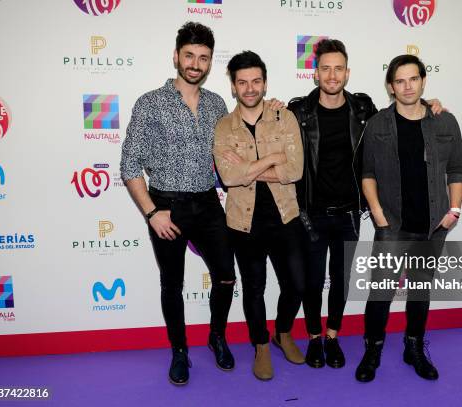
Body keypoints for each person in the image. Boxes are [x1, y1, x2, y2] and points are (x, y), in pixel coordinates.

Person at [288, 39, 443, 370]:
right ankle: (314, 337)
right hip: (311, 213)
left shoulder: (362, 110)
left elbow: (402, 114)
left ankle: (332, 336)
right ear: (315, 73)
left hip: (349, 213)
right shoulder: (298, 110)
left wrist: (430, 105)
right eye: (325, 68)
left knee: (341, 282)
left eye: (338, 68)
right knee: (313, 283)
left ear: (347, 72)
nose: (332, 75)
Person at [120, 22, 237, 386]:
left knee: (226, 276)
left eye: (203, 58)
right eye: (189, 55)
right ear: (176, 56)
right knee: (172, 283)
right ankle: (179, 351)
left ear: (209, 62)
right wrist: (152, 212)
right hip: (166, 205)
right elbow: (129, 164)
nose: (195, 63)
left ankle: (217, 336)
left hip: (208, 203)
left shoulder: (218, 103)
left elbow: (232, 154)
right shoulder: (150, 103)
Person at [355, 54, 462, 383]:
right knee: (380, 293)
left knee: (420, 291)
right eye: (400, 81)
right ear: (390, 87)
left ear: (423, 81)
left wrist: (454, 211)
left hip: (433, 226)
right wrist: (379, 216)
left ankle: (413, 347)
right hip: (393, 226)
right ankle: (372, 349)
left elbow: (457, 169)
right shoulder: (377, 124)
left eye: (413, 79)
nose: (407, 86)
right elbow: (368, 173)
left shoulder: (444, 121)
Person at [213, 51, 305, 381]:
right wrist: (272, 159)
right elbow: (229, 177)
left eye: (255, 81)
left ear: (265, 82)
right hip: (243, 222)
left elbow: (294, 170)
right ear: (234, 87)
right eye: (242, 82)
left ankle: (283, 332)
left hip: (285, 217)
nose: (250, 88)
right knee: (254, 289)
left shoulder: (285, 116)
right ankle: (261, 345)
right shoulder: (224, 126)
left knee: (297, 284)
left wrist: (248, 167)